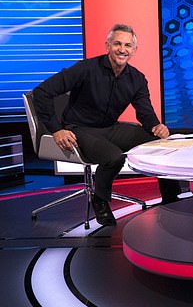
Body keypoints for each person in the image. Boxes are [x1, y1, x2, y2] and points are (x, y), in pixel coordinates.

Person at [33, 23, 182, 226]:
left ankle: (171, 199)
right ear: (108, 45)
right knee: (113, 158)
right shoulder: (85, 69)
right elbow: (42, 93)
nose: (122, 49)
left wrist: (157, 126)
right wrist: (57, 129)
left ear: (134, 50)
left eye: (128, 45)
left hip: (110, 128)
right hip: (79, 129)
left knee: (161, 145)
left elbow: (144, 112)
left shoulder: (136, 78)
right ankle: (100, 200)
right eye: (117, 44)